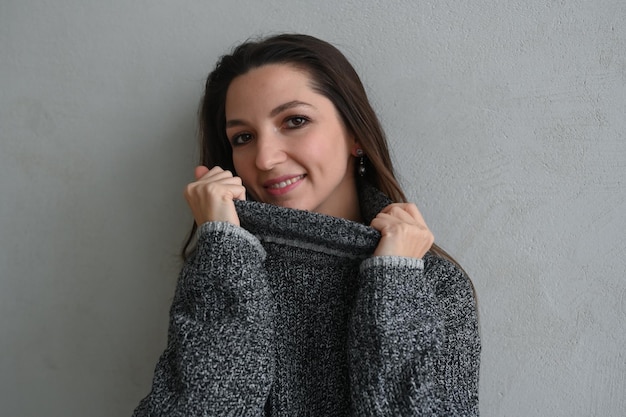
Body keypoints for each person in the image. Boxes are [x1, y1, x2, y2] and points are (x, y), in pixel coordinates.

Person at [133, 33, 480, 416]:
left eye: (295, 121)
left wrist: (393, 285)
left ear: (355, 134)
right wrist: (224, 250)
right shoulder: (221, 267)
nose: (264, 158)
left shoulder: (431, 284)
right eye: (243, 137)